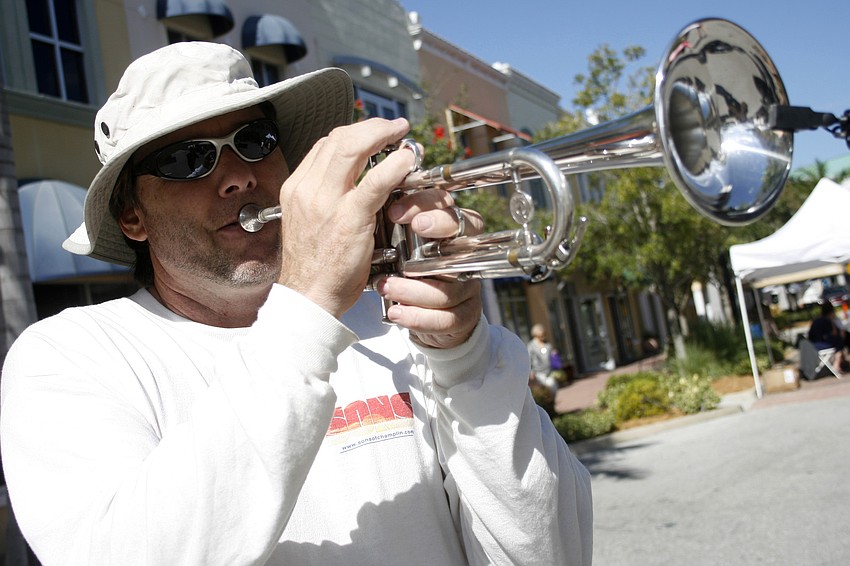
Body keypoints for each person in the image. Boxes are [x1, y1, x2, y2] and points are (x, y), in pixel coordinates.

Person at [0, 42, 592, 565]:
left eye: (255, 141)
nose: (236, 176)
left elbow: (551, 552)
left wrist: (464, 356)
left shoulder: (394, 315)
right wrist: (307, 301)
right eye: (187, 160)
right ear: (132, 216)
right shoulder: (68, 356)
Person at [808, 301, 849, 372]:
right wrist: (832, 321)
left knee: (839, 341)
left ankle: (842, 362)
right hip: (821, 345)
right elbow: (834, 333)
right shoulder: (827, 320)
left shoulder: (816, 320)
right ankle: (837, 364)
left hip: (812, 344)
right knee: (840, 342)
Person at [527, 323, 559, 395]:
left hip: (549, 372)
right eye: (540, 336)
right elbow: (529, 359)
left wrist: (554, 354)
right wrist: (530, 372)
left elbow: (551, 355)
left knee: (553, 388)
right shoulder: (531, 346)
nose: (543, 337)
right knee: (543, 391)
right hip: (538, 373)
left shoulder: (547, 344)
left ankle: (552, 403)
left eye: (544, 335)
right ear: (535, 335)